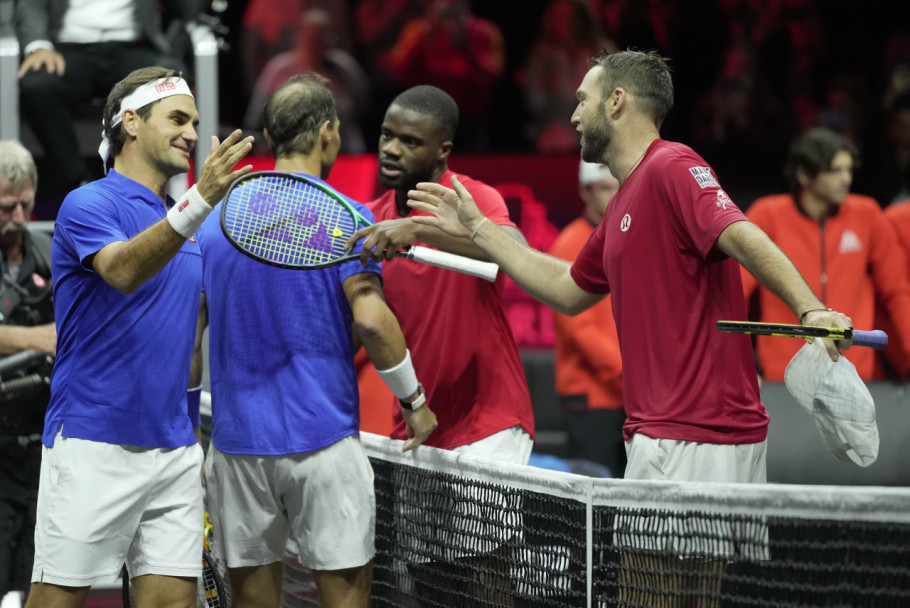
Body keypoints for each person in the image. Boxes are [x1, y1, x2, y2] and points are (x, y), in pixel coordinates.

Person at [407, 49, 855, 607]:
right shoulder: (627, 200)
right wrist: (478, 229)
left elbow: (741, 233)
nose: (574, 116)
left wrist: (810, 310)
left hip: (685, 432)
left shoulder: (672, 166)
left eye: (582, 101)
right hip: (699, 433)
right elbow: (566, 288)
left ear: (616, 101)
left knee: (649, 596)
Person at [196, 73, 438, 608]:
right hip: (323, 444)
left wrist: (189, 425)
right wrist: (415, 402)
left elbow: (191, 335)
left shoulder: (215, 222)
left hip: (238, 449)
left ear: (269, 136)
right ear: (328, 131)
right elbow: (372, 321)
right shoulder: (349, 218)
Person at [24, 66, 254, 608]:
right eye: (177, 119)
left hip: (173, 449)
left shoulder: (185, 225)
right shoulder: (88, 204)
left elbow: (188, 340)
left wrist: (190, 432)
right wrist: (200, 199)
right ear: (131, 122)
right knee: (55, 601)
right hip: (92, 442)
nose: (192, 134)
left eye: (194, 122)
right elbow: (123, 270)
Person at [347, 84, 535, 606]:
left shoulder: (473, 199)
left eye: (409, 141)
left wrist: (417, 230)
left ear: (441, 151)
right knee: (432, 587)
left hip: (489, 420)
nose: (391, 149)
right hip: (418, 427)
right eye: (386, 135)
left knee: (488, 581)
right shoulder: (370, 220)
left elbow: (516, 251)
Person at [742, 127, 910, 381]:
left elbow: (897, 292)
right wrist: (739, 367)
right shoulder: (767, 215)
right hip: (784, 375)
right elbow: (736, 290)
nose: (846, 179)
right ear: (803, 174)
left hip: (854, 374)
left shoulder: (867, 214)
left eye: (849, 169)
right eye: (834, 170)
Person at [15, 0, 202, 200]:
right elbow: (32, 4)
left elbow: (189, 8)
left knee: (170, 81)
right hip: (67, 47)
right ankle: (80, 184)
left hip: (134, 46)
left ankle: (151, 186)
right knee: (38, 85)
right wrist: (39, 46)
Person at [0, 142, 55, 608]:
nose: (18, 218)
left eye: (25, 204)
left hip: (39, 440)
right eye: (6, 208)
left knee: (33, 574)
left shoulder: (46, 252)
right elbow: (48, 336)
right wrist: (35, 338)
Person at [548, 161, 624, 475]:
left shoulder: (625, 236)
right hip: (593, 399)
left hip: (628, 395)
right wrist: (631, 375)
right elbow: (580, 330)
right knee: (597, 492)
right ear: (585, 191)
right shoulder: (570, 243)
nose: (615, 195)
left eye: (619, 186)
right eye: (606, 188)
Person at [243, 8, 371, 154]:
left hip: (343, 151)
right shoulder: (278, 68)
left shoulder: (344, 67)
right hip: (293, 153)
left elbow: (364, 106)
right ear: (298, 36)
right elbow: (256, 116)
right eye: (311, 37)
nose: (315, 44)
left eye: (321, 38)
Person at [384, 0, 506, 151]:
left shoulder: (484, 31)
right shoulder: (418, 30)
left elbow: (492, 77)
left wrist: (467, 46)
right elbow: (396, 71)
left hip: (470, 122)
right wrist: (424, 36)